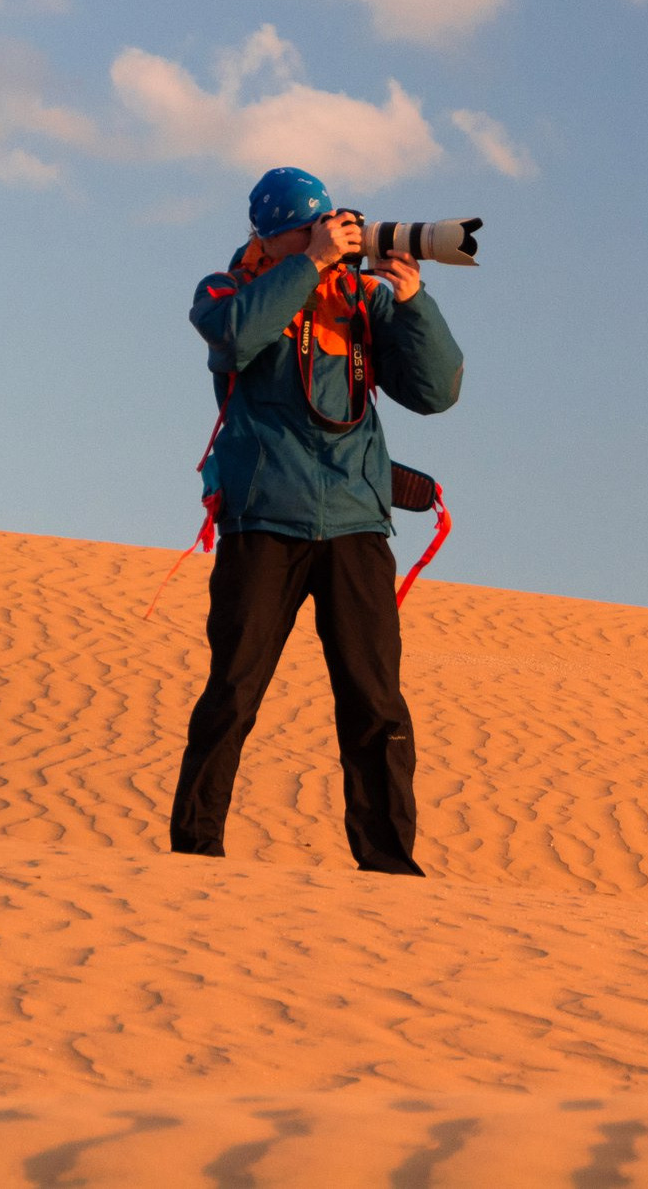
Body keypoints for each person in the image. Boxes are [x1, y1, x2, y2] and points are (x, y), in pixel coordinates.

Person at [167, 166, 465, 876]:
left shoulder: (361, 301)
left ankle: (389, 859)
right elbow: (236, 341)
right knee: (234, 691)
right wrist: (309, 266)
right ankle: (196, 851)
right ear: (273, 237)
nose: (333, 236)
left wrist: (414, 302)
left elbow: (437, 391)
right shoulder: (227, 291)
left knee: (374, 701)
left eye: (332, 226)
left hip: (357, 524)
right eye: (313, 228)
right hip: (262, 519)